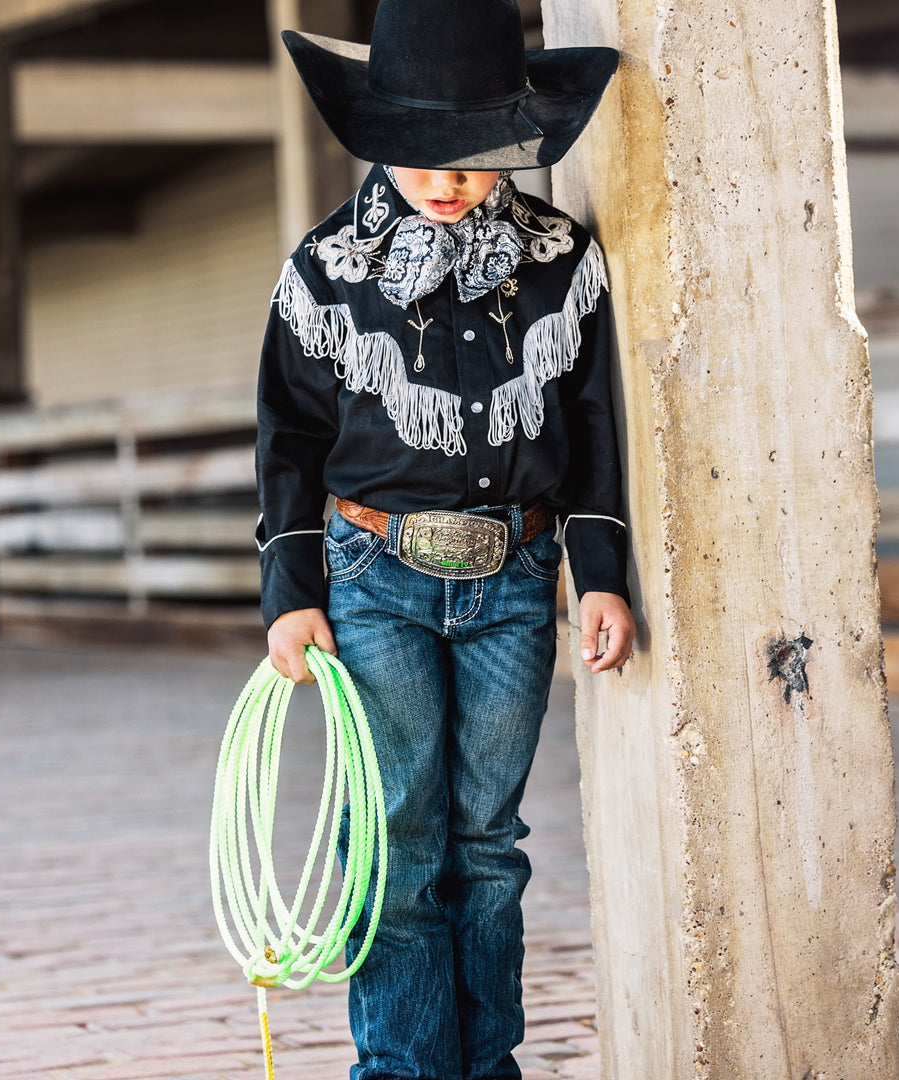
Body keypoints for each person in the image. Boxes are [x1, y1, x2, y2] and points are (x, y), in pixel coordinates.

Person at [255, 2, 635, 1077]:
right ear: (379, 132)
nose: (447, 175)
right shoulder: (327, 269)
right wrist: (291, 592)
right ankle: (404, 1069)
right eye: (423, 148)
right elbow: (288, 438)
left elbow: (597, 433)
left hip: (514, 574)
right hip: (373, 576)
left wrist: (595, 573)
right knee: (397, 844)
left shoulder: (563, 263)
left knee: (487, 847)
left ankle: (486, 1067)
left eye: (473, 152)